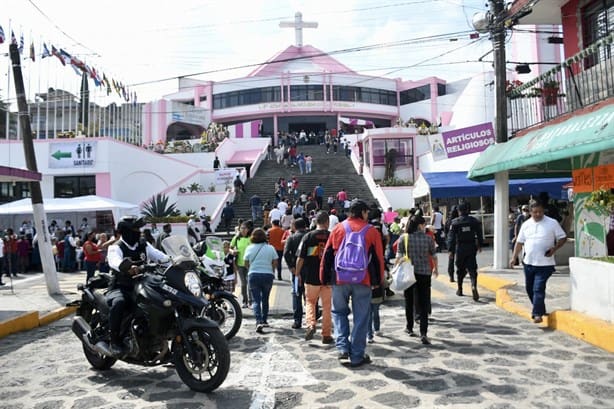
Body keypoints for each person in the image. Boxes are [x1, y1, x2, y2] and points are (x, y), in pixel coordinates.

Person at [322, 199, 385, 368]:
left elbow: (327, 254)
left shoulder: (338, 228)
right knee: (361, 317)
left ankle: (342, 349)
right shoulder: (371, 231)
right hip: (362, 279)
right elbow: (379, 258)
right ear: (364, 212)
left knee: (339, 312)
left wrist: (324, 278)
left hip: (340, 278)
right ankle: (357, 355)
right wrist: (378, 281)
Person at [106, 216, 168, 356]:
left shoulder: (143, 244)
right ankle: (114, 341)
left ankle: (161, 343)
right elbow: (114, 261)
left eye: (138, 229)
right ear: (125, 231)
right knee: (119, 303)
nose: (138, 232)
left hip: (143, 285)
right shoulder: (116, 247)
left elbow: (159, 255)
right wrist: (126, 267)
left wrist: (173, 260)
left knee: (162, 302)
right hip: (122, 287)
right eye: (134, 229)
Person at [510, 200, 567, 324]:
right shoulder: (526, 224)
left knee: (538, 288)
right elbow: (519, 242)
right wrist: (514, 257)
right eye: (535, 212)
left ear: (543, 211)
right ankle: (540, 309)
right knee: (530, 288)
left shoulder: (552, 223)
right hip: (529, 263)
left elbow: (563, 237)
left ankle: (537, 314)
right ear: (530, 212)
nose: (538, 214)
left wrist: (554, 248)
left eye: (540, 212)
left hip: (545, 264)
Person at [396, 214, 438, 344]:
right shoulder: (428, 239)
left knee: (409, 301)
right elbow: (434, 255)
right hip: (424, 273)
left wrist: (397, 267)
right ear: (420, 225)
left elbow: (398, 256)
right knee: (424, 302)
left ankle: (409, 327)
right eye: (424, 224)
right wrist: (436, 269)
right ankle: (423, 333)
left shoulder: (403, 238)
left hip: (409, 273)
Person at [296, 211, 332, 341]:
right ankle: (326, 334)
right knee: (327, 306)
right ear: (327, 222)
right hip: (328, 277)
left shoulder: (308, 237)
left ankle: (311, 324)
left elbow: (300, 258)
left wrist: (297, 273)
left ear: (316, 222)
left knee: (310, 302)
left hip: (311, 276)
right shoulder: (332, 236)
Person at [244, 228, 279, 334]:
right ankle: (264, 320)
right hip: (268, 275)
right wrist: (271, 271)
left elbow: (245, 263)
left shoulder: (249, 248)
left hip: (253, 274)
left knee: (256, 300)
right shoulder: (270, 248)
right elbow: (275, 262)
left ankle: (258, 321)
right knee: (265, 299)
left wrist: (251, 268)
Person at [447, 202, 483, 301]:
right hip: (471, 247)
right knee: (472, 268)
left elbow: (451, 237)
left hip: (460, 247)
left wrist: (450, 250)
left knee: (460, 269)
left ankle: (460, 289)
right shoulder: (473, 221)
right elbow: (479, 233)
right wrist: (480, 244)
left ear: (459, 211)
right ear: (467, 211)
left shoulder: (455, 222)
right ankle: (473, 285)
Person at [283, 218, 308, 330]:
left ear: (295, 226)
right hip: (309, 269)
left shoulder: (291, 238)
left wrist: (291, 267)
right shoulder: (309, 236)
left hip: (297, 270)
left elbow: (286, 253)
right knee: (310, 295)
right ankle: (312, 316)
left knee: (297, 294)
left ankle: (297, 320)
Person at [231, 221, 253, 308]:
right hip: (240, 265)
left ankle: (251, 302)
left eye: (245, 228)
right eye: (242, 228)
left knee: (250, 283)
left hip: (250, 264)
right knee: (243, 284)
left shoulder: (251, 238)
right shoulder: (236, 238)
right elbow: (230, 247)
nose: (243, 230)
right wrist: (233, 251)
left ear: (248, 229)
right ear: (239, 229)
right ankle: (245, 301)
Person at [443, 206, 459, 282]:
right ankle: (461, 274)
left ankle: (451, 276)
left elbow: (445, 231)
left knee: (451, 259)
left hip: (450, 242)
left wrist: (447, 240)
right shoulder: (458, 220)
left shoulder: (448, 221)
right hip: (459, 242)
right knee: (461, 259)